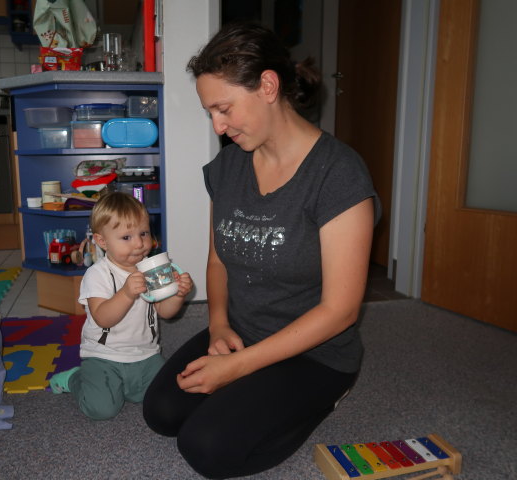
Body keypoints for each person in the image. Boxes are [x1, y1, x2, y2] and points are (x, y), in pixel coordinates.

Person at [142, 21, 381, 479]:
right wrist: (217, 326)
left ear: (268, 86)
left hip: (316, 352)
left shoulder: (339, 174)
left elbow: (341, 310)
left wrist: (237, 369)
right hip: (241, 330)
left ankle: (326, 397)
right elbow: (217, 260)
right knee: (162, 413)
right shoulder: (228, 167)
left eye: (224, 108)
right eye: (211, 112)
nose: (218, 125)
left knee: (206, 448)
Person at [49, 192, 194, 420]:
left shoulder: (150, 269)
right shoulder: (97, 274)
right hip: (104, 355)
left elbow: (164, 313)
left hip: (145, 354)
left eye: (143, 233)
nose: (139, 243)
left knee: (166, 396)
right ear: (102, 241)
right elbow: (102, 318)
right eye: (126, 237)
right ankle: (75, 378)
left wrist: (177, 295)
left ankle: (123, 387)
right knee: (102, 409)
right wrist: (126, 293)